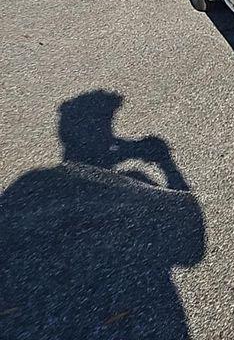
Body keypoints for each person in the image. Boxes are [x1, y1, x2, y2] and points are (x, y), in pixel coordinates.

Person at [0, 90, 205, 339]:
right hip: (139, 318)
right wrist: (167, 164)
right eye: (105, 127)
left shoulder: (32, 184)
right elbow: (190, 246)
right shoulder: (134, 183)